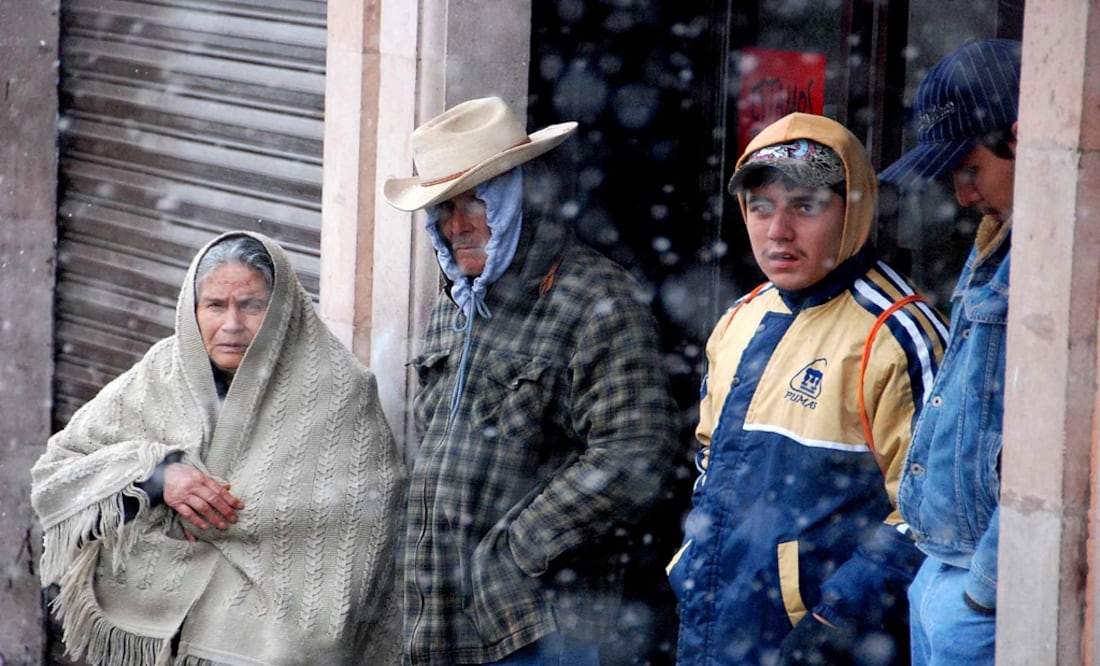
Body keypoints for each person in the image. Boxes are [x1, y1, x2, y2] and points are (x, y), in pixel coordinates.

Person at [381, 96, 679, 665]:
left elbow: (637, 449)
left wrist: (518, 547)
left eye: (476, 201)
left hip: (540, 627)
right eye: (443, 207)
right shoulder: (456, 302)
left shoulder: (596, 297)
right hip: (442, 622)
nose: (457, 224)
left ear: (517, 198)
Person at [31, 231, 407, 665]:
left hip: (271, 637)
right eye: (215, 305)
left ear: (282, 308)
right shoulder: (163, 370)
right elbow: (61, 469)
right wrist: (158, 475)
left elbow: (361, 521)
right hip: (163, 635)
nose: (231, 325)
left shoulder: (337, 388)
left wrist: (211, 514)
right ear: (193, 310)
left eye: (251, 305)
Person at [666, 112, 949, 665]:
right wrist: (692, 564)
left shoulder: (896, 333)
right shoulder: (740, 319)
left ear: (855, 209)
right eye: (762, 207)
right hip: (719, 628)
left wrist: (833, 621)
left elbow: (934, 509)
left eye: (805, 206)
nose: (779, 230)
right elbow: (710, 461)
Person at [880, 38, 1022, 665]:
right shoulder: (999, 239)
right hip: (944, 569)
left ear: (1026, 138)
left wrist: (983, 593)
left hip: (979, 588)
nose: (962, 196)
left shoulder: (1049, 261)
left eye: (970, 168)